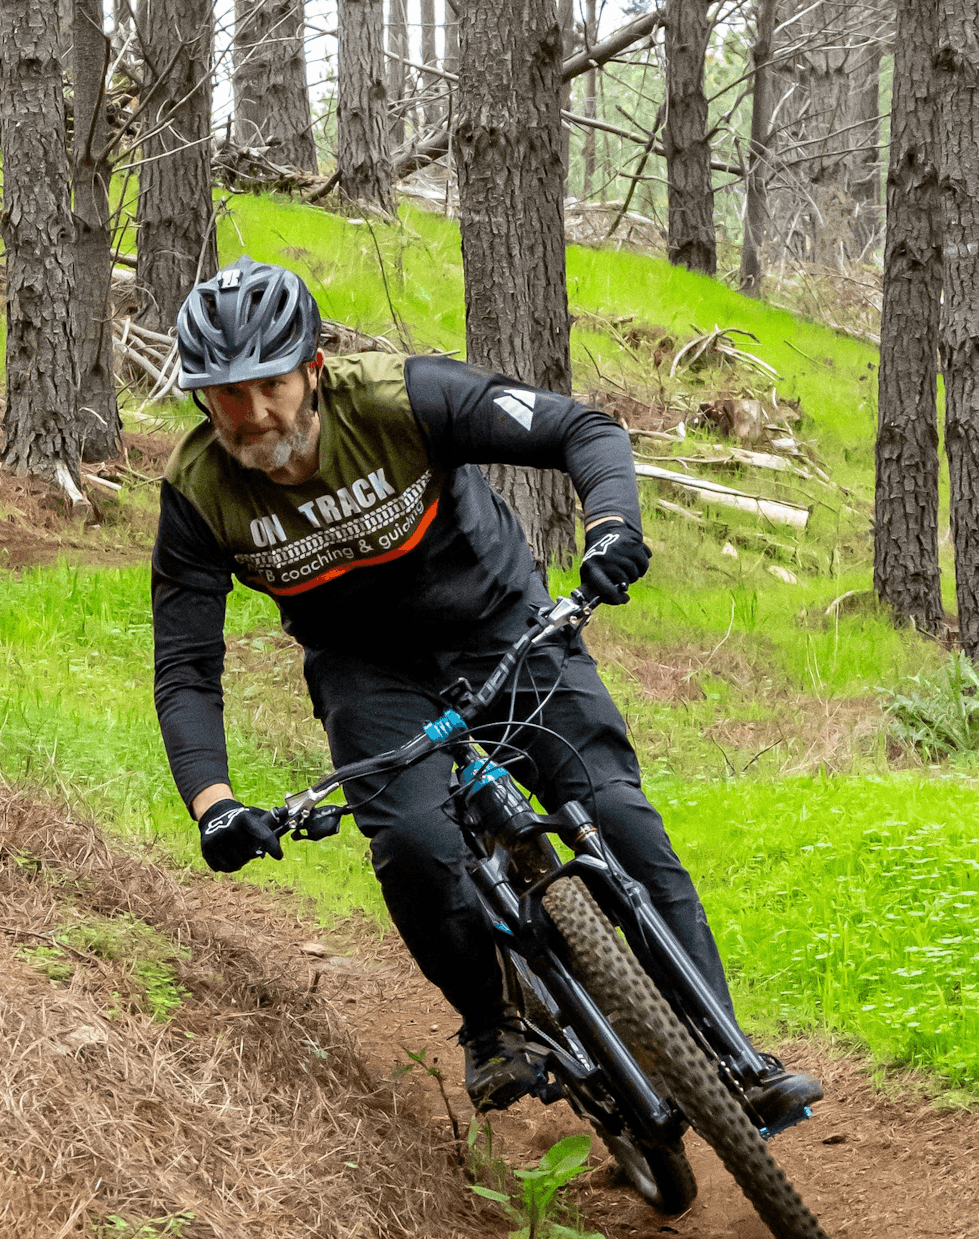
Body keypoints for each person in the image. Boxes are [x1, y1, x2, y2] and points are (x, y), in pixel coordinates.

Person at [150, 257, 822, 1131]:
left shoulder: (404, 398)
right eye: (222, 395)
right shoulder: (199, 493)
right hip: (367, 669)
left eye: (266, 385)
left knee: (616, 817)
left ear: (312, 366)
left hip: (501, 624)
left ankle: (731, 1053)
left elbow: (583, 431)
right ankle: (490, 1022)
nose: (248, 415)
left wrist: (612, 525)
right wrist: (214, 803)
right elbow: (187, 667)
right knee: (420, 850)